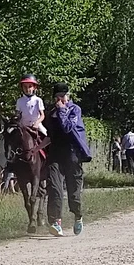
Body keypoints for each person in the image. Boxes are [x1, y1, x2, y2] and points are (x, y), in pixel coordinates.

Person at [44, 83, 91, 237]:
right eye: (57, 97)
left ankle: (78, 216)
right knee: (55, 188)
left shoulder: (74, 109)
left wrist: (62, 110)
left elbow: (68, 128)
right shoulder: (51, 113)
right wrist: (36, 148)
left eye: (62, 96)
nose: (60, 100)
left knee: (73, 192)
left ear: (68, 96)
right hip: (56, 153)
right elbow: (49, 135)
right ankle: (55, 222)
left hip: (72, 153)